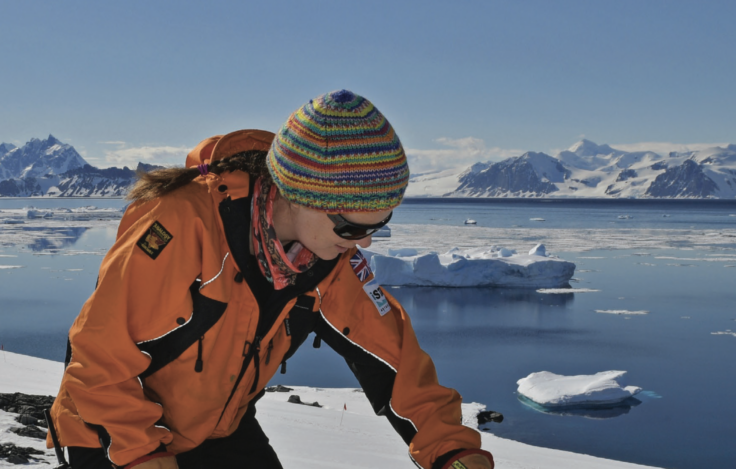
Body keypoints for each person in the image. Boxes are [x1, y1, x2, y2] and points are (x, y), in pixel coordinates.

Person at [47, 90, 494, 469]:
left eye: (378, 225)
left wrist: (451, 451)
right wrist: (142, 456)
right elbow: (98, 358)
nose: (365, 243)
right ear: (300, 197)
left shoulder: (328, 258)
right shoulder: (183, 225)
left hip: (218, 427)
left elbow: (398, 364)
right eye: (352, 228)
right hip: (109, 427)